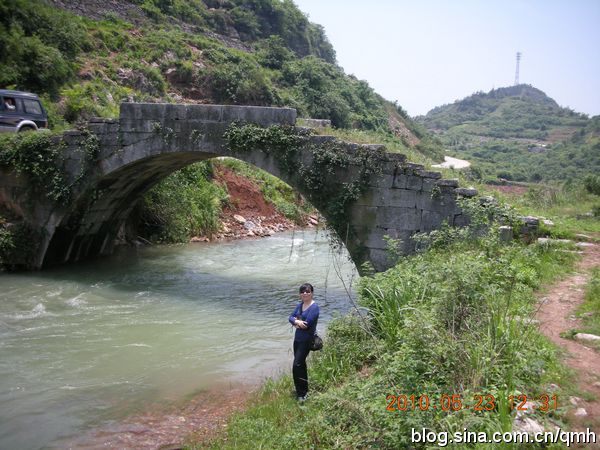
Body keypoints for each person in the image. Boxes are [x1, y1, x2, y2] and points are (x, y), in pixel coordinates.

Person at [288, 282, 320, 402]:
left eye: (307, 291)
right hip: (297, 340)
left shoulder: (314, 307)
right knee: (301, 365)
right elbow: (290, 317)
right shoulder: (300, 305)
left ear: (312, 293)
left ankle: (302, 394)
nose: (305, 293)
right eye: (302, 292)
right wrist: (296, 322)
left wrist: (297, 322)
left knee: (297, 365)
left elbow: (307, 325)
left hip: (306, 340)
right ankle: (303, 389)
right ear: (300, 294)